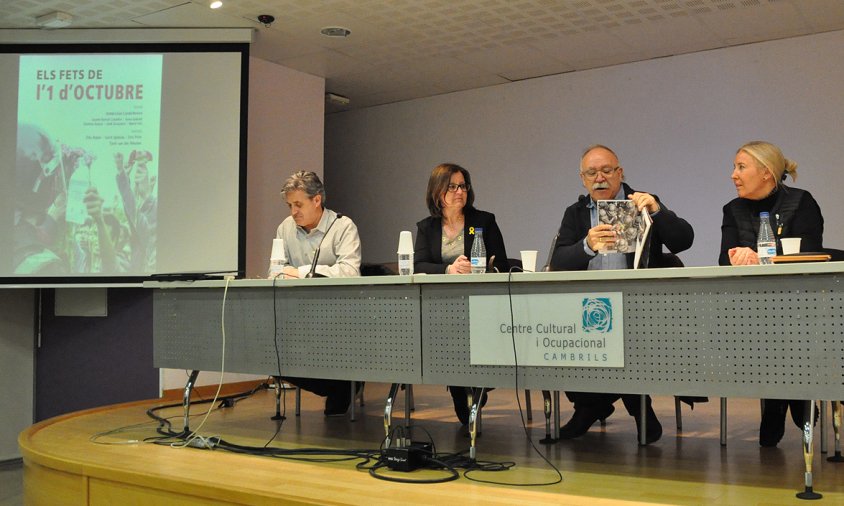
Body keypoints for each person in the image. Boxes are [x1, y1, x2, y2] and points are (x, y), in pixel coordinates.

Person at [549, 144, 695, 444]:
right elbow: (559, 261)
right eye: (592, 173)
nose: (599, 178)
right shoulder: (576, 213)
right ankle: (628, 406)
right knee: (561, 341)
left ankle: (592, 409)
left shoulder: (640, 201)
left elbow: (683, 240)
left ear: (620, 172)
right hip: (587, 305)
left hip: (638, 305)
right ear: (582, 178)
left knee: (622, 340)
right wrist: (586, 245)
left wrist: (656, 210)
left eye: (606, 170)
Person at [719, 140, 823, 447]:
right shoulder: (733, 209)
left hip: (799, 305)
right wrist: (739, 255)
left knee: (787, 332)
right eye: (734, 167)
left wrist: (763, 256)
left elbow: (809, 252)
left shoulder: (802, 202)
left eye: (741, 167)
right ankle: (782, 398)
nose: (733, 175)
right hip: (750, 308)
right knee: (764, 331)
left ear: (766, 173)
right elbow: (725, 258)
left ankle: (786, 397)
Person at [414, 163, 509, 423]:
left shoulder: (483, 221)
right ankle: (459, 390)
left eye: (463, 186)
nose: (459, 192)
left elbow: (500, 261)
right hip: (442, 306)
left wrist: (481, 268)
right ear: (437, 192)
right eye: (452, 186)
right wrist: (448, 269)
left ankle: (478, 385)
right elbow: (418, 264)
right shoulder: (427, 227)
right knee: (448, 343)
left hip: (481, 304)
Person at [271, 170, 362, 416]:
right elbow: (275, 273)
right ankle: (340, 386)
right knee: (273, 357)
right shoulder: (285, 229)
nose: (293, 212)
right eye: (290, 205)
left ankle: (346, 383)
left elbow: (350, 271)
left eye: (298, 204)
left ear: (317, 200)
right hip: (300, 317)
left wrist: (301, 273)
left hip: (340, 319)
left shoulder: (343, 226)